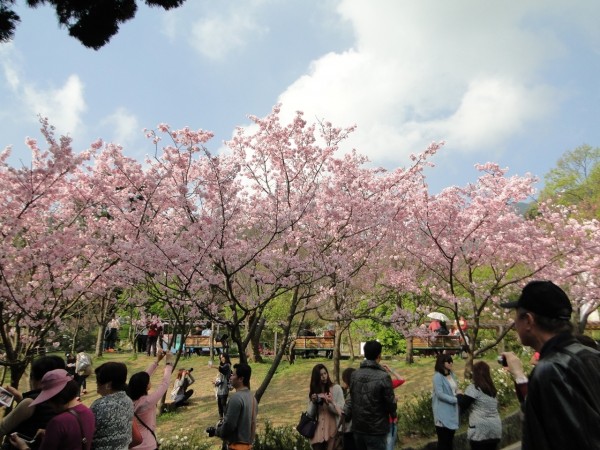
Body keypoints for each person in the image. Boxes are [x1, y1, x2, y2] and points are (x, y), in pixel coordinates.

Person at [500, 280, 600, 450]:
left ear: (529, 320)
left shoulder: (551, 370)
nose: (514, 323)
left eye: (516, 316)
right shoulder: (591, 355)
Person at [9, 369, 95, 450]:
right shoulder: (88, 412)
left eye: (48, 399)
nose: (48, 404)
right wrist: (51, 434)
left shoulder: (57, 422)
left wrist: (23, 447)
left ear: (56, 398)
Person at [0, 356, 66, 447]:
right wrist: (21, 399)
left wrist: (25, 402)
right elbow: (39, 414)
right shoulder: (63, 399)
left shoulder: (30, 403)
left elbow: (2, 428)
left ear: (34, 378)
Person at [343, 340, 396, 450]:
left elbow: (352, 398)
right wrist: (394, 414)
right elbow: (390, 402)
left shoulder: (355, 374)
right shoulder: (383, 376)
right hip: (377, 429)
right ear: (379, 355)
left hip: (358, 427)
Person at [127, 350, 174, 450]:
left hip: (132, 444)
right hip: (148, 445)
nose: (149, 381)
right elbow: (164, 384)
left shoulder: (128, 399)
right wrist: (169, 364)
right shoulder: (147, 402)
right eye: (148, 382)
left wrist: (157, 361)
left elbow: (142, 378)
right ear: (145, 386)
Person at [90, 362, 135, 450]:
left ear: (108, 385)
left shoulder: (99, 406)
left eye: (98, 382)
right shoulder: (128, 400)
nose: (97, 384)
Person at [457, 361, 501, 450]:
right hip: (495, 429)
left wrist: (459, 394)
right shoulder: (492, 389)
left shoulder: (474, 388)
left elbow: (463, 404)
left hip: (479, 431)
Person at [215, 363, 257, 449]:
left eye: (233, 374)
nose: (230, 376)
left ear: (241, 379)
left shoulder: (236, 398)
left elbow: (229, 425)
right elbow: (253, 424)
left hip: (235, 446)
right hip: (247, 446)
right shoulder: (253, 399)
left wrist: (217, 431)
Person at [306, 364, 344, 450]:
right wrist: (313, 402)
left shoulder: (336, 389)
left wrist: (329, 403)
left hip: (333, 432)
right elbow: (309, 414)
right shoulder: (313, 392)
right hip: (317, 434)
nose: (324, 377)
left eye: (325, 373)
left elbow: (341, 410)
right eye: (320, 375)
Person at [432, 354, 459, 450]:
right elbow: (439, 394)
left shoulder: (452, 375)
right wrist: (455, 399)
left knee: (450, 441)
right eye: (448, 361)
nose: (451, 363)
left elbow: (455, 389)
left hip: (452, 412)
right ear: (442, 363)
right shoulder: (437, 377)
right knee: (443, 442)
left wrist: (459, 393)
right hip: (442, 413)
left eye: (451, 361)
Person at [381, 364, 405, 450]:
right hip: (386, 419)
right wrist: (393, 401)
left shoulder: (389, 384)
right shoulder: (383, 385)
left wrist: (391, 369)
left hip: (388, 419)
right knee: (389, 444)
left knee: (389, 444)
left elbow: (401, 380)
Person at [211, 354, 232, 418]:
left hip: (224, 387)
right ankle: (221, 418)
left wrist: (214, 366)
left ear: (226, 357)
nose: (221, 358)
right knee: (219, 404)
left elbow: (222, 369)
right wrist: (216, 382)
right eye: (220, 357)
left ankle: (226, 418)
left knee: (223, 403)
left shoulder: (227, 365)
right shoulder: (223, 366)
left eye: (223, 357)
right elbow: (221, 378)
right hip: (220, 388)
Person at [340, 368, 355, 450]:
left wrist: (334, 404)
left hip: (350, 431)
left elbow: (346, 415)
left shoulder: (351, 395)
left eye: (343, 380)